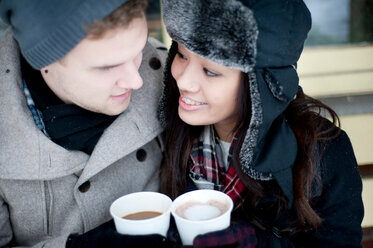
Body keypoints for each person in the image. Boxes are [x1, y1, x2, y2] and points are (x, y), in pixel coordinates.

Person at [158, 0, 364, 247]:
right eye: (181, 54)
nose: (183, 81)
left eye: (210, 71)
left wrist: (259, 242)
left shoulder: (325, 151)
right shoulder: (168, 127)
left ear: (260, 85)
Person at [0, 0, 170, 247]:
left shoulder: (174, 77)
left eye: (138, 51)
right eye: (108, 67)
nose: (136, 81)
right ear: (44, 61)